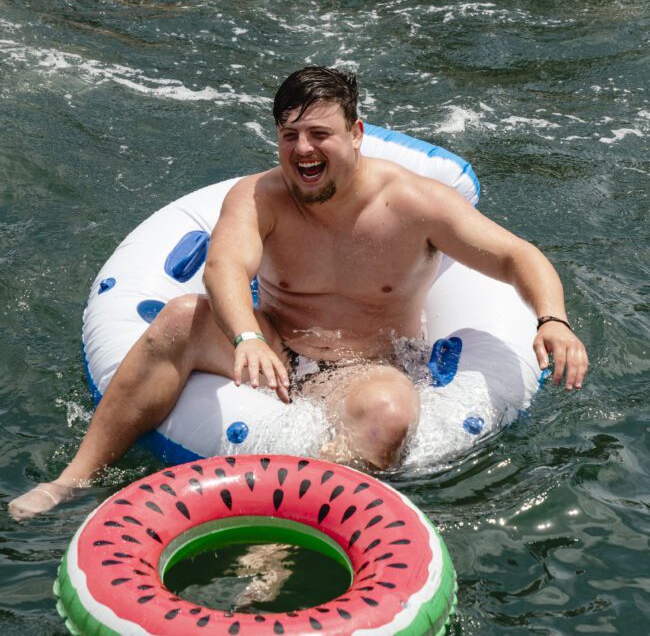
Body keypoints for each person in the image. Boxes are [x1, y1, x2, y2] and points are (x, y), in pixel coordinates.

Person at [9, 66, 588, 520]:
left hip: (369, 365)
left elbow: (518, 256)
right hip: (278, 344)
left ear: (356, 135)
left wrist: (552, 320)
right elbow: (225, 267)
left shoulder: (415, 205)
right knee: (181, 318)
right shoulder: (259, 196)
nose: (304, 150)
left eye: (320, 134)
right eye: (290, 135)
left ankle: (287, 534)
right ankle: (72, 480)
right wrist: (244, 336)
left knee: (388, 410)